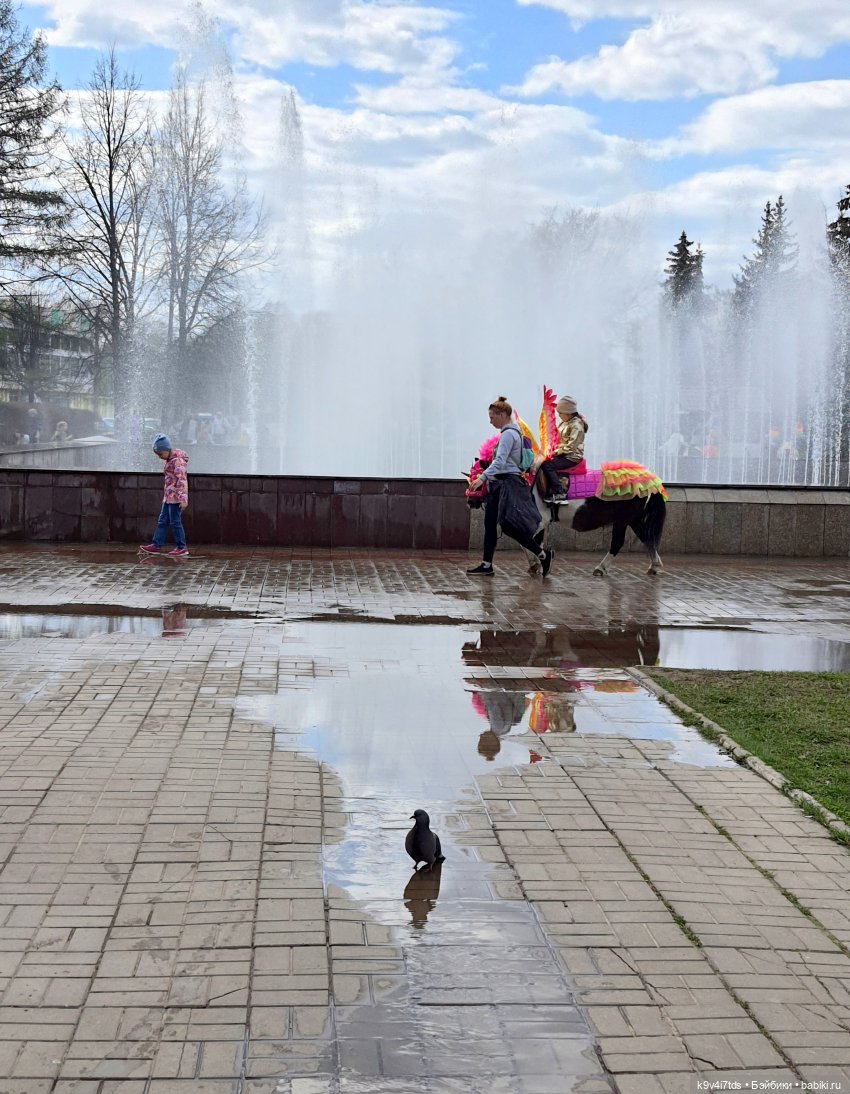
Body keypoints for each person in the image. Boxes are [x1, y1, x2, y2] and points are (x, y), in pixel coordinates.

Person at [467, 396, 554, 578]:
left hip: (508, 484)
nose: (490, 421)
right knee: (490, 524)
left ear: (503, 414)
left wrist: (481, 478)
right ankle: (487, 565)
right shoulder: (510, 433)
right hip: (499, 484)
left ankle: (542, 555)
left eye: (492, 417)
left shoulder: (509, 434)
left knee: (509, 526)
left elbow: (500, 462)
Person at [139, 433, 190, 557]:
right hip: (168, 497)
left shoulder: (177, 461)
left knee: (175, 522)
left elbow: (182, 480)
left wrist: (183, 499)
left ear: (167, 450)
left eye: (160, 454)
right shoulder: (169, 459)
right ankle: (156, 545)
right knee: (163, 521)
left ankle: (182, 547)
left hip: (176, 498)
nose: (159, 457)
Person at [536, 395, 588, 503]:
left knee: (547, 464)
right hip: (563, 453)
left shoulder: (577, 426)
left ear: (568, 413)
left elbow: (571, 447)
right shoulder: (565, 422)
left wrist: (554, 453)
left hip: (571, 456)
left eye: (560, 413)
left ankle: (560, 492)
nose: (559, 415)